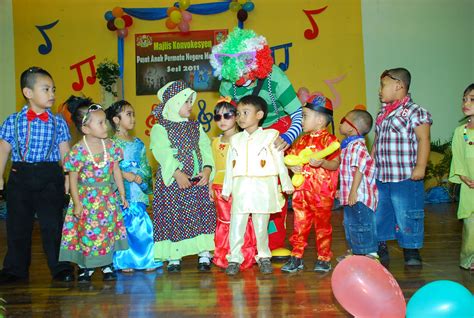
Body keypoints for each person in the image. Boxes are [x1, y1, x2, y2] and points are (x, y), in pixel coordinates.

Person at [210, 28, 303, 254]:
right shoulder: (228, 83)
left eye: (242, 76)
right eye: (234, 79)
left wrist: (287, 137)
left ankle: (273, 243)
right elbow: (233, 114)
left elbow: (298, 114)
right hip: (247, 132)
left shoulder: (275, 78)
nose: (238, 83)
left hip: (278, 129)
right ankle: (248, 243)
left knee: (273, 191)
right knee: (246, 189)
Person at [0, 66, 74, 283]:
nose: (52, 94)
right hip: (19, 175)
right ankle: (15, 269)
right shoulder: (12, 121)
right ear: (28, 93)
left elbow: (65, 152)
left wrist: (69, 176)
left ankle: (60, 267)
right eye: (46, 89)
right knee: (17, 225)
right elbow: (3, 150)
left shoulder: (58, 121)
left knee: (52, 225)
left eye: (53, 89)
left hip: (50, 177)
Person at [222, 95, 294, 276]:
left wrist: (286, 183)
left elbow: (280, 162)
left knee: (261, 225)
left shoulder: (270, 136)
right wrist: (226, 189)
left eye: (246, 112)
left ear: (259, 114)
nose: (240, 117)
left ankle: (263, 257)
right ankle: (234, 258)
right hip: (241, 187)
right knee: (237, 224)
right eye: (238, 113)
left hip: (263, 187)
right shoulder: (235, 139)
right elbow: (230, 166)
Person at [59, 97, 129, 282]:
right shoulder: (78, 151)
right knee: (86, 233)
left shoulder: (111, 147)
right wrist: (76, 203)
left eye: (104, 121)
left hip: (106, 198)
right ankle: (85, 266)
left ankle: (107, 264)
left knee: (106, 231)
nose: (105, 126)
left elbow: (116, 171)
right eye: (100, 123)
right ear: (85, 129)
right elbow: (73, 179)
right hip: (86, 200)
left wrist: (121, 193)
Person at [150, 80, 216, 273]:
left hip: (197, 182)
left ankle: (204, 253)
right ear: (174, 103)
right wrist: (177, 173)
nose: (190, 105)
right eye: (186, 101)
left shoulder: (196, 127)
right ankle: (174, 255)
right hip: (174, 184)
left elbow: (205, 148)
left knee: (201, 215)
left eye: (190, 101)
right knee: (175, 215)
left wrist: (207, 170)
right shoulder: (160, 128)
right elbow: (162, 152)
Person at [373, 68, 432, 267]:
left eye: (383, 85)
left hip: (406, 175)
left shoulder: (415, 111)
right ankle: (380, 245)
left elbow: (424, 138)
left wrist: (420, 166)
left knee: (407, 212)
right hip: (382, 175)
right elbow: (377, 142)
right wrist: (370, 164)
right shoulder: (382, 112)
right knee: (381, 212)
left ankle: (411, 248)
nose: (379, 90)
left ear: (399, 85)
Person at [281, 95, 340, 273]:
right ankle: (296, 256)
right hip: (302, 192)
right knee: (299, 225)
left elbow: (335, 164)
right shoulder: (302, 140)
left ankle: (323, 258)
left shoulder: (330, 141)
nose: (301, 120)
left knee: (322, 227)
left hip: (321, 192)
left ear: (320, 120)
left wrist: (322, 163)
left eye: (305, 116)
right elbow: (289, 158)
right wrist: (293, 166)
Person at [105, 100, 162, 273]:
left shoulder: (138, 143)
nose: (133, 118)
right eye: (128, 114)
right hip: (121, 190)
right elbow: (107, 167)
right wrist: (123, 174)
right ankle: (125, 260)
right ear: (116, 120)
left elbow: (145, 165)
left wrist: (141, 178)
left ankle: (147, 258)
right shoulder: (110, 144)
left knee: (141, 223)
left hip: (137, 189)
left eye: (133, 114)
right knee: (125, 226)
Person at [210, 96, 257, 270]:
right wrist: (210, 186)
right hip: (219, 187)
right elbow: (214, 166)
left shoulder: (243, 139)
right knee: (224, 221)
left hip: (239, 186)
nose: (222, 120)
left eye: (227, 115)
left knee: (242, 219)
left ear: (236, 116)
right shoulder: (215, 142)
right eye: (217, 117)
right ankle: (225, 255)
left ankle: (244, 255)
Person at [336, 108, 379, 262]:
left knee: (362, 223)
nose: (340, 124)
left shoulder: (358, 146)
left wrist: (353, 192)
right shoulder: (348, 146)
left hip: (360, 196)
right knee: (349, 223)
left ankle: (370, 253)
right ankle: (355, 250)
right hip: (351, 195)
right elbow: (346, 172)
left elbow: (360, 169)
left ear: (351, 127)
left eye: (343, 121)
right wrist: (342, 190)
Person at [449, 83, 474, 271]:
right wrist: (464, 177)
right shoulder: (461, 132)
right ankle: (469, 259)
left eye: (472, 100)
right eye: (464, 99)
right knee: (470, 226)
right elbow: (457, 157)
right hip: (469, 186)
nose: (466, 103)